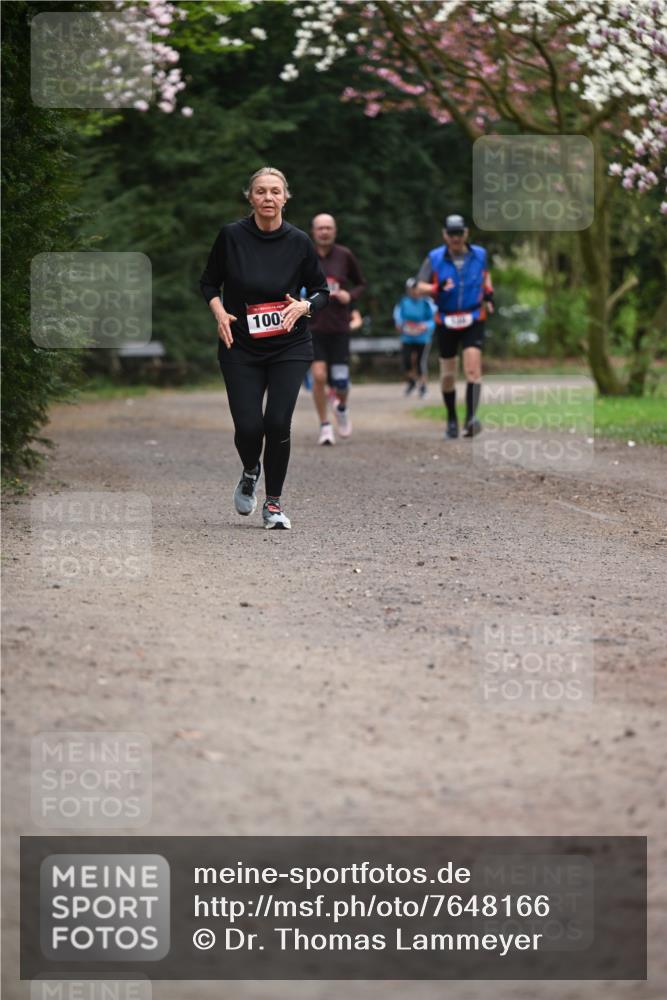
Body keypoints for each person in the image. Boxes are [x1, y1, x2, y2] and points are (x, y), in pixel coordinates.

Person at [200, 167, 329, 529]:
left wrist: (305, 306)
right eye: (261, 191)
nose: (268, 198)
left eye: (275, 191)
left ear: (286, 197)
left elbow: (322, 291)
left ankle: (273, 504)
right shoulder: (231, 236)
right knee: (248, 427)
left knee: (277, 421)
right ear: (250, 197)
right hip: (240, 344)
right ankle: (250, 468)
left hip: (289, 344)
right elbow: (209, 283)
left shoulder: (300, 241)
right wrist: (220, 312)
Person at [416, 214, 494, 438]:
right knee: (448, 375)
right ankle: (451, 418)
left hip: (473, 317)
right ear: (445, 235)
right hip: (446, 319)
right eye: (452, 234)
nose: (456, 238)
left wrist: (489, 296)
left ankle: (471, 418)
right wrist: (435, 287)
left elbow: (486, 278)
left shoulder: (480, 255)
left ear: (466, 233)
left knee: (472, 369)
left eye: (459, 233)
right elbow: (419, 286)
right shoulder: (435, 258)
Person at [309, 213, 366, 445]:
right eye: (320, 228)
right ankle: (324, 425)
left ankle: (341, 408)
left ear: (334, 231)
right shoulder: (305, 256)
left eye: (328, 228)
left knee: (341, 382)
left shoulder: (344, 255)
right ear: (313, 231)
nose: (324, 232)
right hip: (313, 326)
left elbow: (361, 283)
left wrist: (348, 295)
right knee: (319, 376)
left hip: (339, 327)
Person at [393, 278, 436, 397]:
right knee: (407, 361)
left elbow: (433, 319)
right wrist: (400, 324)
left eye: (416, 289)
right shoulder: (403, 302)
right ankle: (412, 381)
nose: (414, 292)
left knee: (420, 362)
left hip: (422, 337)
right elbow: (398, 317)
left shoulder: (427, 302)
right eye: (412, 289)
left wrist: (425, 326)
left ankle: (423, 386)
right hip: (407, 336)